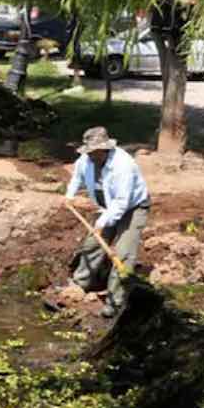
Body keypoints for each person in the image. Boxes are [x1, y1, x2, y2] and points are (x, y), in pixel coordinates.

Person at [65, 126, 150, 317]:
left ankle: (115, 302)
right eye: (90, 152)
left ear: (106, 149)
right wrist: (69, 196)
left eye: (96, 152)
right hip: (107, 207)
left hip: (132, 208)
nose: (92, 156)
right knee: (92, 245)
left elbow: (121, 203)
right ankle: (79, 285)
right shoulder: (85, 160)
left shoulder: (123, 166)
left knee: (122, 254)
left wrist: (101, 223)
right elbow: (77, 177)